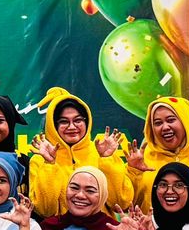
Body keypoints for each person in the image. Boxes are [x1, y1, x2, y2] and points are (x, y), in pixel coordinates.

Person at [26, 87, 132, 217]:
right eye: (64, 121)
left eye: (77, 120)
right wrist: (49, 165)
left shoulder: (102, 153)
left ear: (87, 122)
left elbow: (121, 203)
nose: (72, 127)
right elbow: (45, 210)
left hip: (103, 229)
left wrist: (107, 160)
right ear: (53, 126)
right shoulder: (40, 160)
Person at [126, 96, 189, 210]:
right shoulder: (140, 162)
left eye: (170, 120)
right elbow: (124, 203)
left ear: (186, 122)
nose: (165, 127)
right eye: (158, 123)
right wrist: (133, 172)